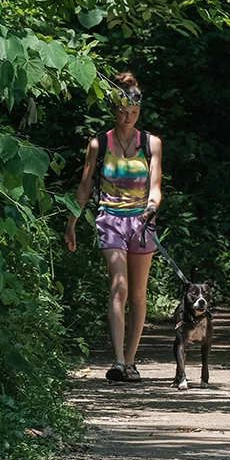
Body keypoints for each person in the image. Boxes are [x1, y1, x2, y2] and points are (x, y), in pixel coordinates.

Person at [65, 72, 163, 383]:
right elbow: (84, 187)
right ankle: (118, 361)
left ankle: (132, 360)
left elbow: (156, 187)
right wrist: (72, 223)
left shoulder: (151, 143)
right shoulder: (99, 142)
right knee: (118, 286)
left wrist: (151, 207)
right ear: (114, 109)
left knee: (137, 294)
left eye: (133, 112)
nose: (127, 117)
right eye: (123, 111)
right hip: (109, 219)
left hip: (142, 221)